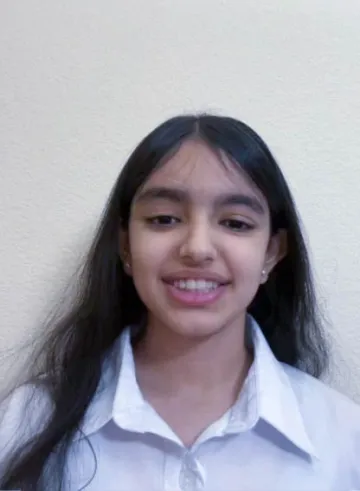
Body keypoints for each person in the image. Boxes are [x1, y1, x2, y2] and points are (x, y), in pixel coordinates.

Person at [0, 113, 359, 491]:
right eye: (164, 219)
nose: (197, 249)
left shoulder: (343, 441)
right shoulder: (25, 425)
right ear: (125, 244)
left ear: (272, 252)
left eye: (236, 223)